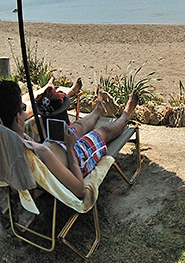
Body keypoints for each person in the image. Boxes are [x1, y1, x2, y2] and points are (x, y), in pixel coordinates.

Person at [0, 80, 138, 200]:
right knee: (103, 132)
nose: (25, 111)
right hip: (77, 159)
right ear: (18, 118)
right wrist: (71, 148)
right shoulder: (41, 152)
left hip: (57, 147)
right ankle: (126, 114)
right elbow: (80, 190)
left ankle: (98, 111)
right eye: (23, 108)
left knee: (77, 126)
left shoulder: (6, 143)